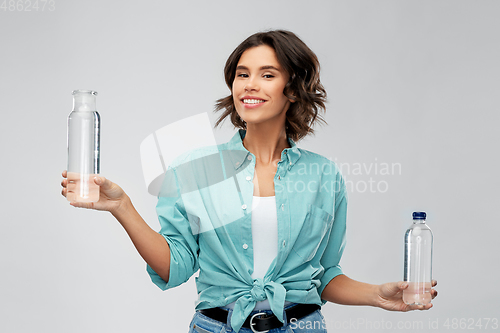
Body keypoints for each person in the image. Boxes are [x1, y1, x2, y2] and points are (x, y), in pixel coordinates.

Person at [61, 30, 438, 333]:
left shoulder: (323, 175)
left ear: (293, 89)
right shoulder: (193, 170)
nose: (249, 85)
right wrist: (121, 206)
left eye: (267, 74)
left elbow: (324, 276)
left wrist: (378, 295)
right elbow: (174, 268)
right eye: (243, 74)